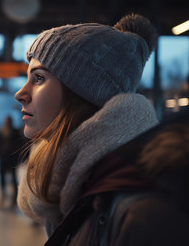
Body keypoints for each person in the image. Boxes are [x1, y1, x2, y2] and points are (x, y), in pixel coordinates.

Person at [14, 13, 189, 245]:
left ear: (82, 93)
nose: (20, 94)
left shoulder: (144, 210)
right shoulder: (74, 187)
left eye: (38, 78)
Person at [0, 116, 24, 209]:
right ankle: (3, 195)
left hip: (12, 158)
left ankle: (14, 199)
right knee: (2, 177)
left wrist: (18, 155)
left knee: (13, 178)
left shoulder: (15, 131)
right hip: (3, 158)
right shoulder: (1, 131)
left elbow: (20, 144)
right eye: (6, 121)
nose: (7, 122)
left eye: (8, 121)